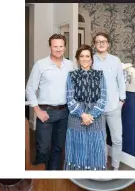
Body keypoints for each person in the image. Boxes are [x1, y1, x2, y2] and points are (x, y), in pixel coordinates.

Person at [25, 34, 74, 170]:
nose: (58, 49)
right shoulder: (40, 65)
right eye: (55, 46)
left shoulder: (70, 65)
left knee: (58, 148)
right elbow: (29, 89)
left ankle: (53, 176)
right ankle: (41, 178)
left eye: (61, 46)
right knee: (43, 148)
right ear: (50, 47)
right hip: (46, 112)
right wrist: (37, 111)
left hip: (64, 112)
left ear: (65, 47)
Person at [64, 44, 107, 170]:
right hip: (76, 115)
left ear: (91, 59)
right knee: (77, 146)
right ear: (77, 59)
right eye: (81, 56)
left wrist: (91, 115)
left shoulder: (100, 75)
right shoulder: (71, 75)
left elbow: (103, 97)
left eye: (87, 56)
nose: (85, 59)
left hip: (96, 116)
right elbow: (69, 98)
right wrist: (82, 114)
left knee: (96, 145)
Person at [92, 32, 127, 170]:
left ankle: (116, 166)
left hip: (114, 106)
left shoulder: (115, 60)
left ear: (108, 44)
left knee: (117, 139)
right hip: (97, 108)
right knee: (101, 139)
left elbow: (120, 81)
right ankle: (102, 165)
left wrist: (122, 100)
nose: (101, 43)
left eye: (104, 41)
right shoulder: (90, 60)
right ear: (94, 44)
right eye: (98, 41)